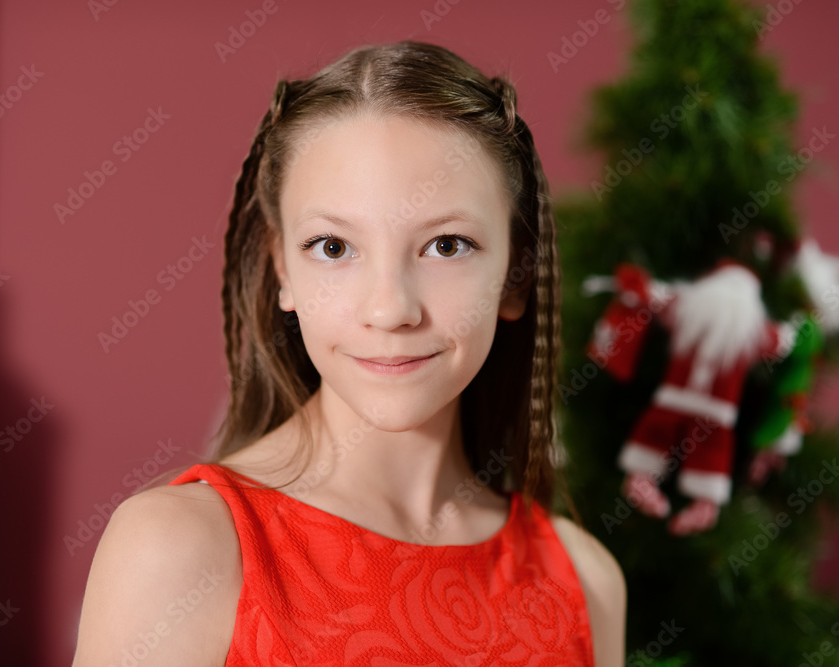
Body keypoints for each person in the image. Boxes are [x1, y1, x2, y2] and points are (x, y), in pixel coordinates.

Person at [72, 40, 626, 666]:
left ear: (516, 276)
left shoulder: (586, 583)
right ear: (283, 268)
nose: (390, 310)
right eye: (334, 247)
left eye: (447, 245)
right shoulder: (179, 550)